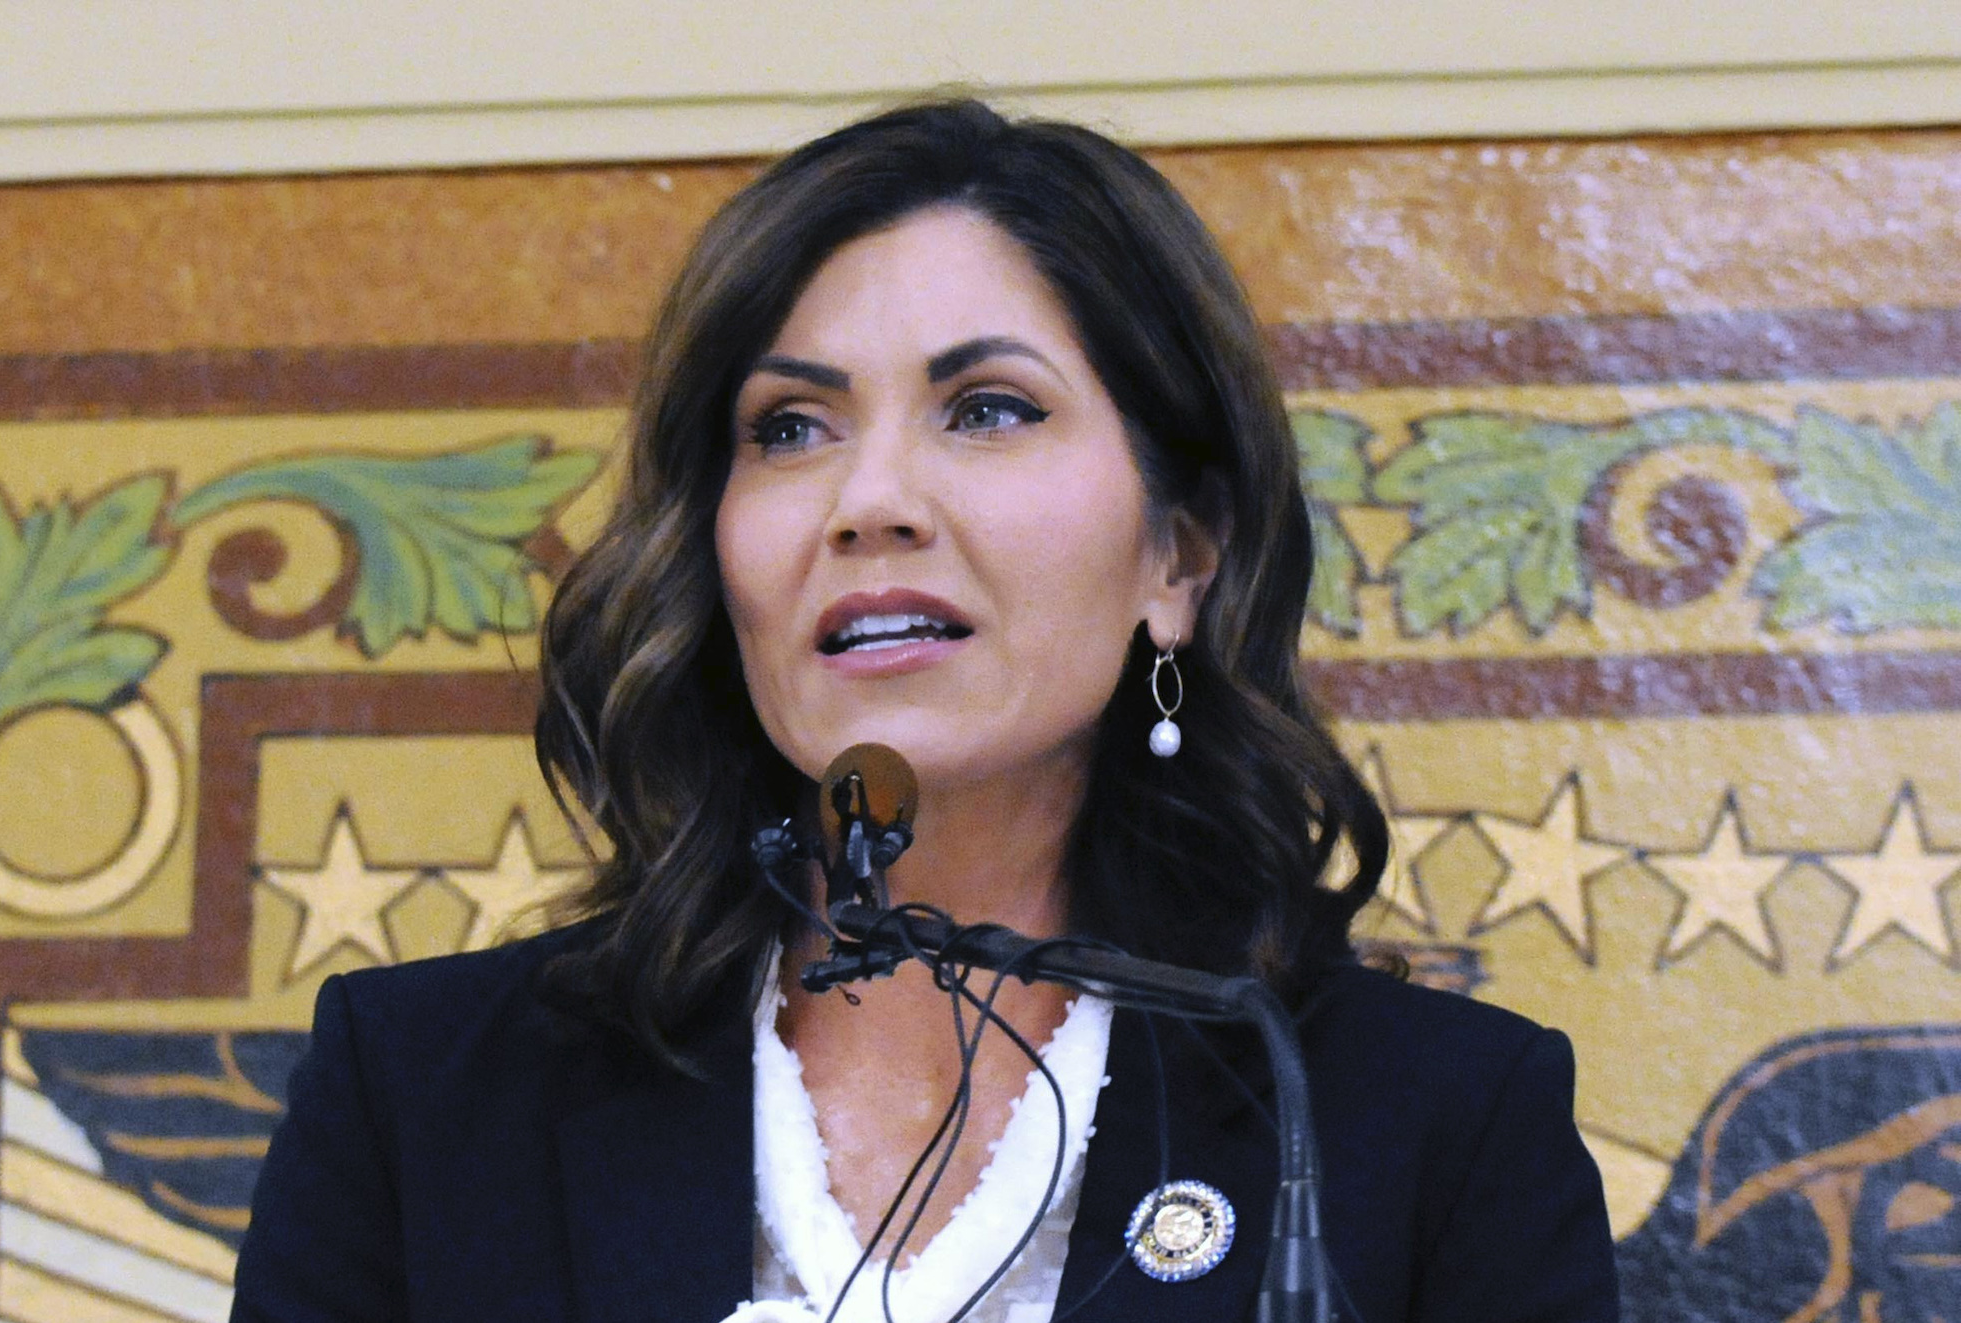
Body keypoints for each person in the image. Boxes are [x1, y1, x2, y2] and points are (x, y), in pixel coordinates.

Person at [231, 99, 1621, 1323]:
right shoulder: (420, 1095)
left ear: (1180, 556)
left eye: (988, 409)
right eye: (789, 428)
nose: (871, 500)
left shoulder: (1427, 1122)